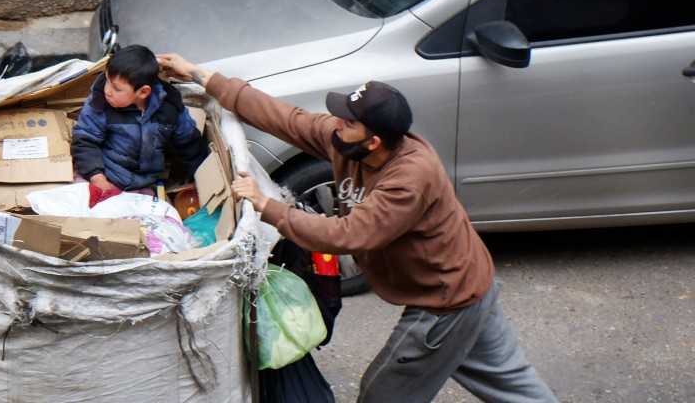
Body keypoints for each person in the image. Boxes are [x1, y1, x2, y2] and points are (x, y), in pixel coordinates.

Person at [157, 53, 558, 403]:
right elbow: (286, 118)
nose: (336, 124)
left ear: (374, 142)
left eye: (348, 122)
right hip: (472, 285)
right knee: (512, 384)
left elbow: (346, 235)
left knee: (384, 394)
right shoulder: (346, 141)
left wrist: (267, 207)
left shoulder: (409, 178)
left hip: (445, 301)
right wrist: (199, 74)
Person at [71, 45, 207, 204]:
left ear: (143, 92)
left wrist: (199, 180)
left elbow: (190, 145)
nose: (107, 90)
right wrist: (97, 178)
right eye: (107, 80)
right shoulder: (99, 101)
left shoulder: (170, 106)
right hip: (104, 176)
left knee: (153, 221)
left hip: (144, 186)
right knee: (77, 201)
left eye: (116, 88)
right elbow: (84, 140)